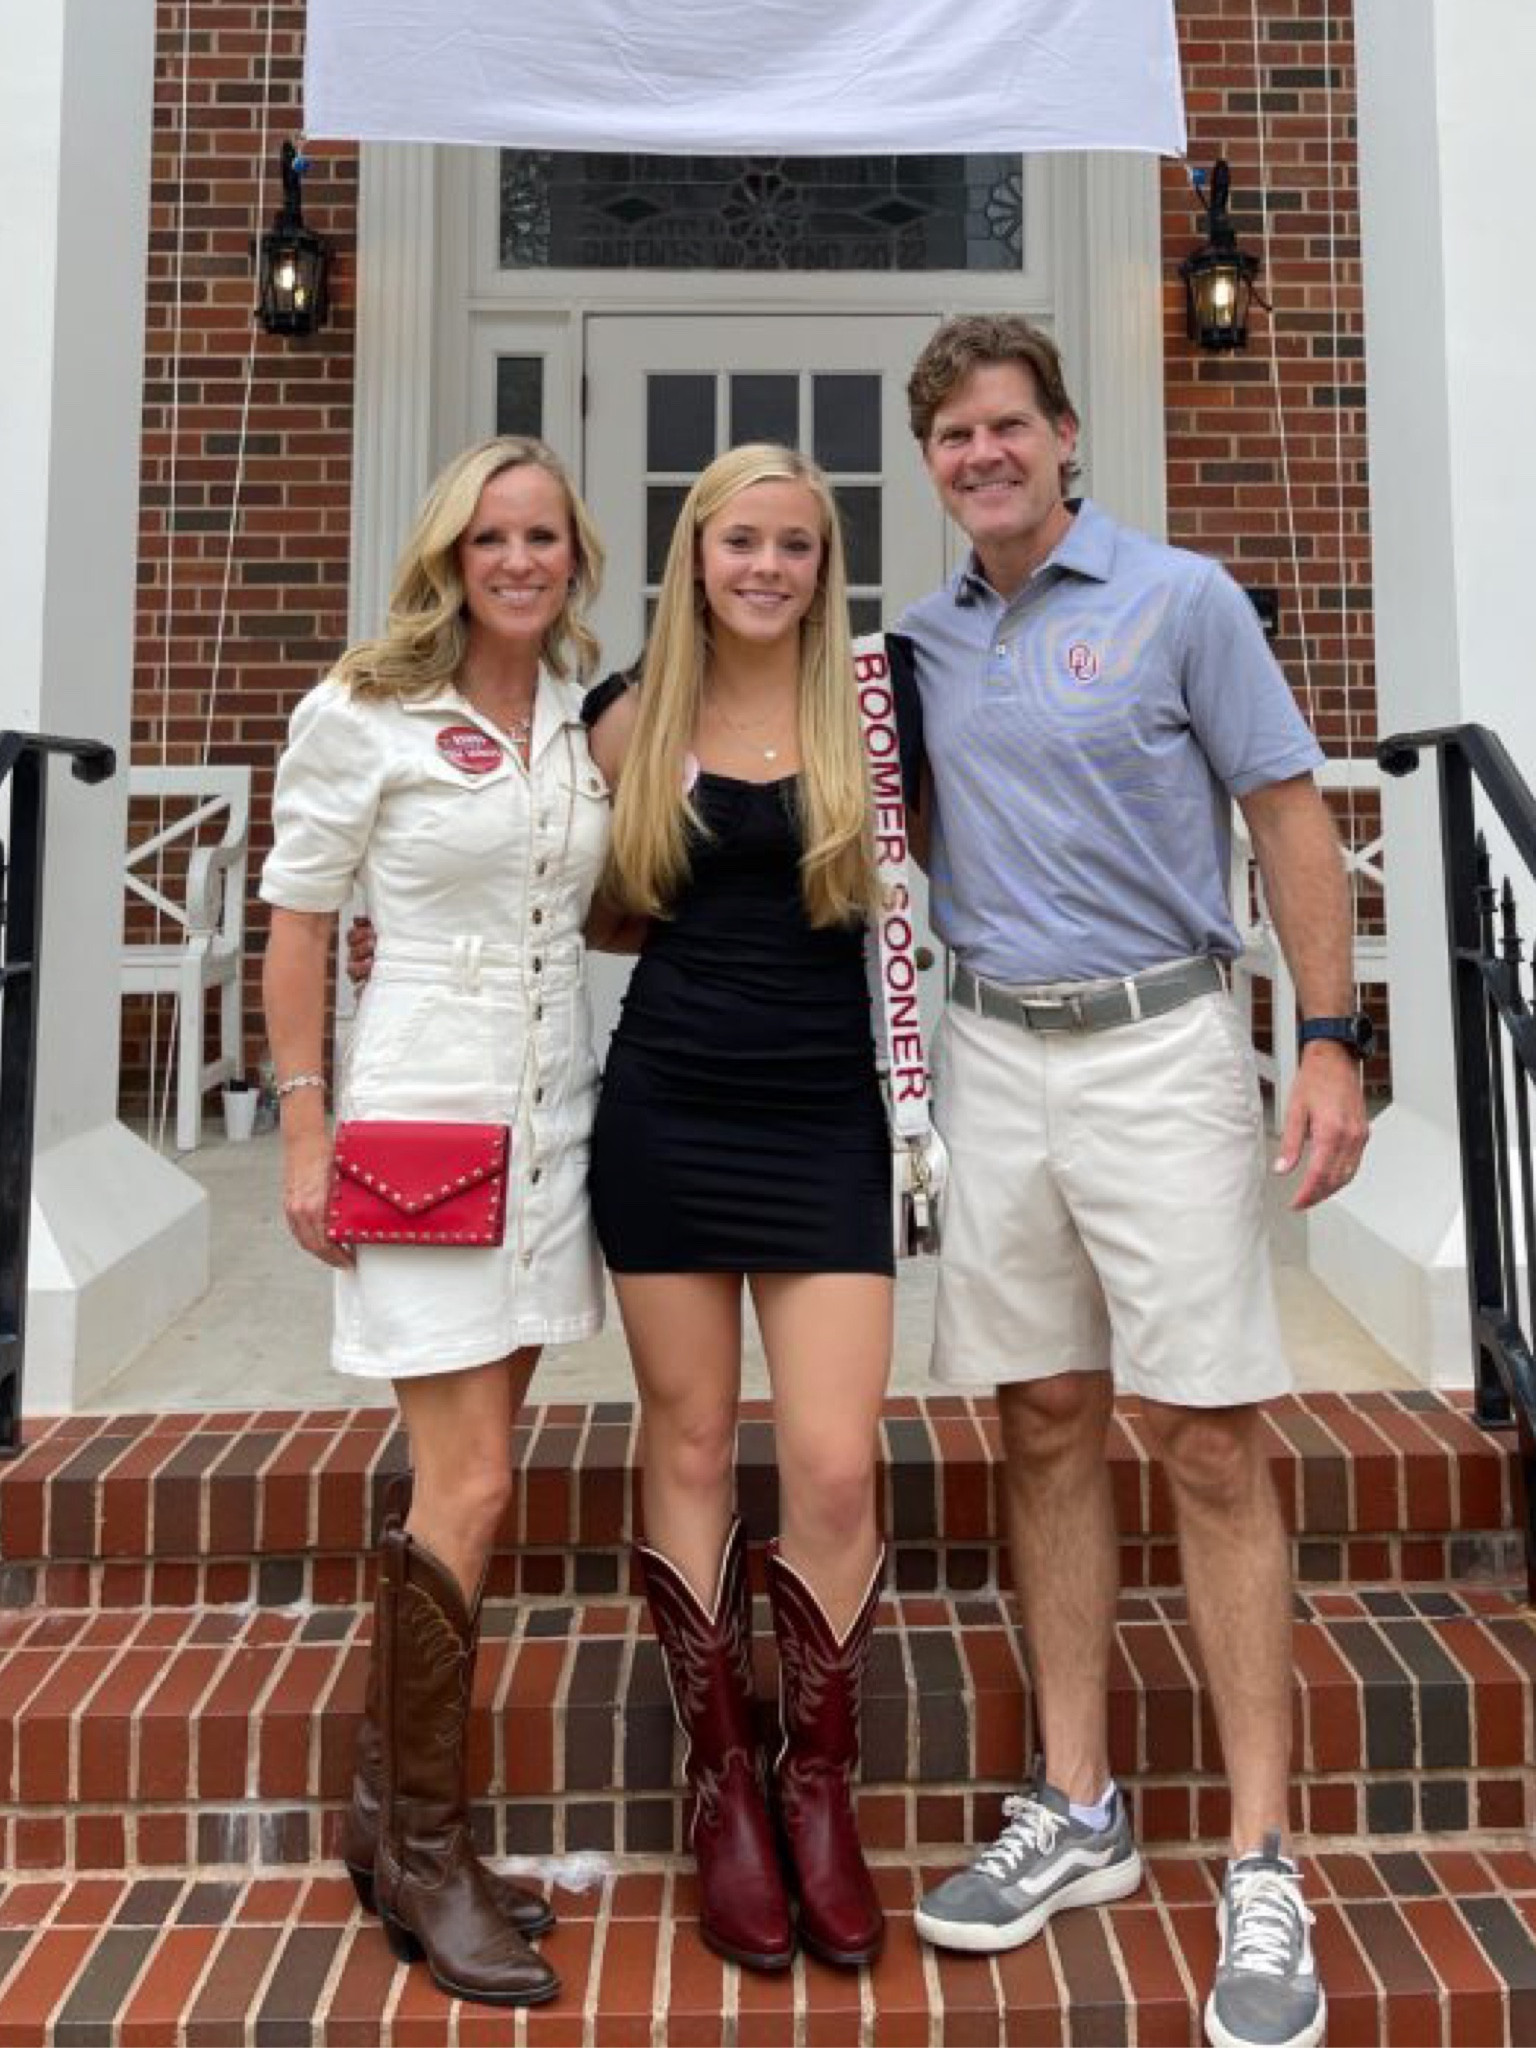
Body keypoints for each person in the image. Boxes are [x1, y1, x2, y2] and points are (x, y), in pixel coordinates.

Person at [898, 316, 1367, 2048]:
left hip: (1163, 1047)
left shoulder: (1185, 600)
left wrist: (1329, 1035)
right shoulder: (922, 645)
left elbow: (1289, 816)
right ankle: (1080, 1808)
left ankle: (1262, 1855)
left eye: (1007, 424)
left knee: (1211, 1432)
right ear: (931, 461)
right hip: (991, 1059)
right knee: (1037, 1418)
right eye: (952, 434)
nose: (983, 454)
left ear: (1066, 436)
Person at [260, 435, 613, 2010]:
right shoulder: (364, 713)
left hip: (554, 1128)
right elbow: (301, 919)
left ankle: (383, 1823)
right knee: (466, 1481)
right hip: (419, 1123)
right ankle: (421, 1848)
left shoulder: (582, 718)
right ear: (448, 557)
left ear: (574, 555)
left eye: (544, 536)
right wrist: (304, 1120)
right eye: (493, 539)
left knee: (465, 1483)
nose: (520, 561)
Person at [583, 442, 893, 1973]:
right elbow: (560, 891)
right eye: (738, 540)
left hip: (833, 1119)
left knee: (834, 1462)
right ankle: (725, 1792)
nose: (766, 565)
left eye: (794, 543)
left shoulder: (877, 720)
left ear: (823, 567)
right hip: (670, 1114)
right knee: (693, 1437)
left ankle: (817, 1784)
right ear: (695, 555)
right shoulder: (627, 720)